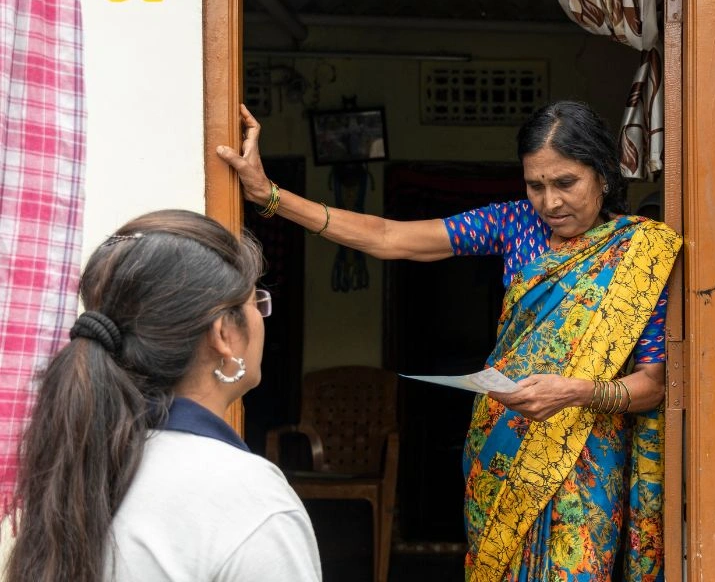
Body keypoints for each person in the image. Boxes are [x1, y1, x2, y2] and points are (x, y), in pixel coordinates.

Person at [217, 100, 682, 581]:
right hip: (503, 453)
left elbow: (653, 384)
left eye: (566, 183)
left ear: (603, 175)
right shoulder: (516, 223)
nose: (550, 203)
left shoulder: (641, 256)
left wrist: (577, 392)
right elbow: (387, 237)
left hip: (588, 461)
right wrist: (270, 195)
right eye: (535, 185)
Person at [3, 210, 322, 582]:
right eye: (256, 303)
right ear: (223, 334)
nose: (261, 317)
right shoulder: (249, 497)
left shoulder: (82, 457)